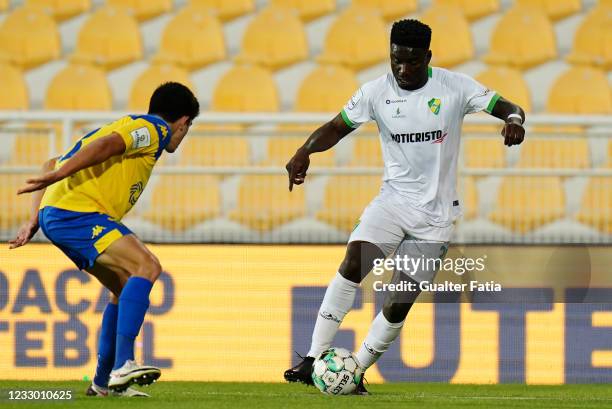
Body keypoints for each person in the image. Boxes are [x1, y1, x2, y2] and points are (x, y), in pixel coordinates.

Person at [284, 19, 525, 395]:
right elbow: (336, 126)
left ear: (428, 57)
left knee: (397, 302)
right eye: (396, 60)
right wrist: (304, 151)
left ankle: (355, 372)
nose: (403, 69)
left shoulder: (455, 87)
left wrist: (513, 120)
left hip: (436, 218)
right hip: (392, 202)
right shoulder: (376, 92)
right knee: (353, 261)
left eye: (412, 61)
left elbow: (509, 106)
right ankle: (314, 358)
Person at [9, 82, 200, 397]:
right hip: (77, 213)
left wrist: (35, 217)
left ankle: (101, 384)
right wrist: (58, 178)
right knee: (148, 266)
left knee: (123, 287)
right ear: (183, 122)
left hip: (60, 214)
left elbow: (50, 163)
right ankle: (124, 364)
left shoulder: (125, 124)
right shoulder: (154, 130)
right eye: (187, 127)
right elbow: (109, 145)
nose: (184, 132)